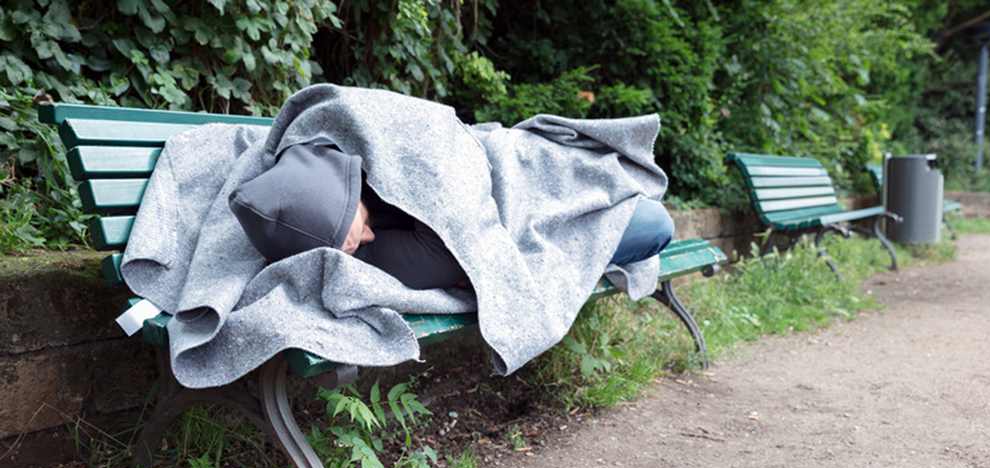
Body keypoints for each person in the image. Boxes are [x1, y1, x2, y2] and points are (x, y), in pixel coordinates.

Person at [229, 141, 674, 290]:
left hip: (515, 165)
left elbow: (443, 148)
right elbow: (458, 257)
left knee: (617, 179)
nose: (367, 240)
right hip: (519, 221)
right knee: (655, 225)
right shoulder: (359, 250)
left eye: (357, 226)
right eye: (351, 247)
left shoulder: (344, 145)